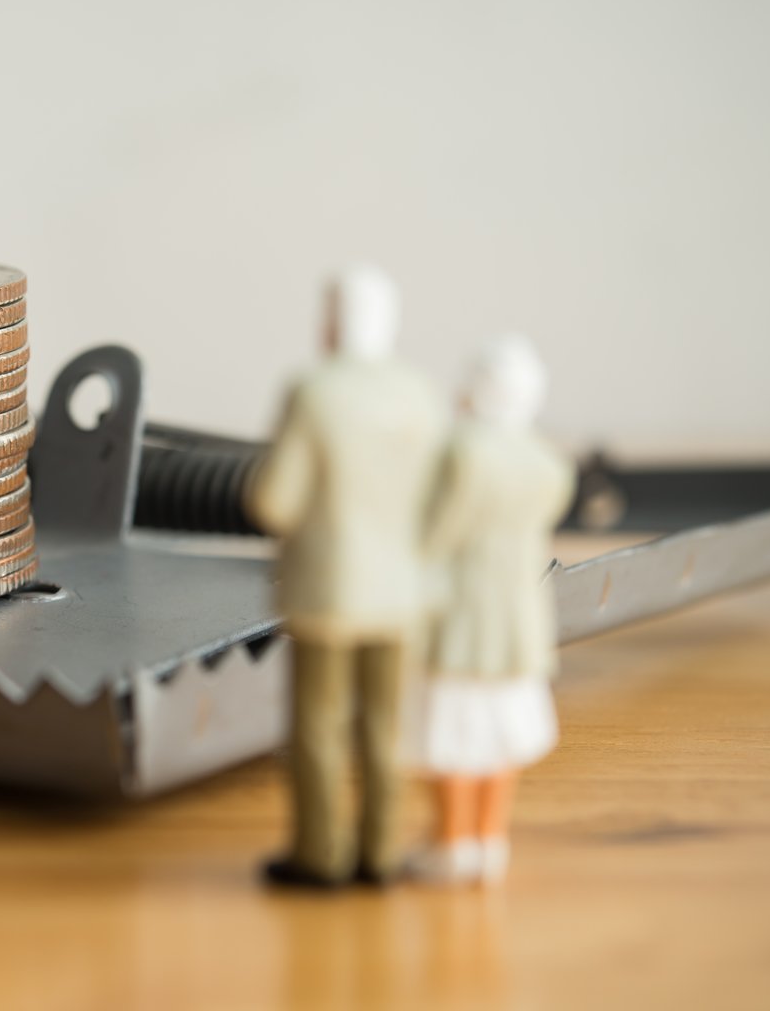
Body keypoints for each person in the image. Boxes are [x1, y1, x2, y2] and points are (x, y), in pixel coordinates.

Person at [245, 265, 447, 887]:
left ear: (330, 323)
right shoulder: (420, 392)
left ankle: (321, 855)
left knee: (319, 725)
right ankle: (380, 852)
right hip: (404, 591)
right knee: (387, 727)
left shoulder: (314, 392)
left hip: (330, 591)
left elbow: (275, 502)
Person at [406, 335, 575, 885]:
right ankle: (489, 840)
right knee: (502, 736)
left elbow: (433, 533)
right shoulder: (547, 462)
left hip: (459, 618)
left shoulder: (460, 452)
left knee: (452, 739)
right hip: (519, 620)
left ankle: (452, 844)